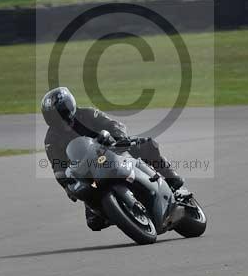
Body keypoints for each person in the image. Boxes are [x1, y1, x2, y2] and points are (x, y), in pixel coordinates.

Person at [41, 87, 186, 231]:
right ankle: (119, 212)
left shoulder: (88, 114)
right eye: (54, 118)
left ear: (70, 108)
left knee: (148, 144)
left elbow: (113, 124)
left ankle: (171, 179)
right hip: (89, 173)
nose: (61, 121)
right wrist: (66, 185)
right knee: (94, 222)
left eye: (63, 114)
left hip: (113, 150)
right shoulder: (51, 139)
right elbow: (57, 166)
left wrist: (119, 138)